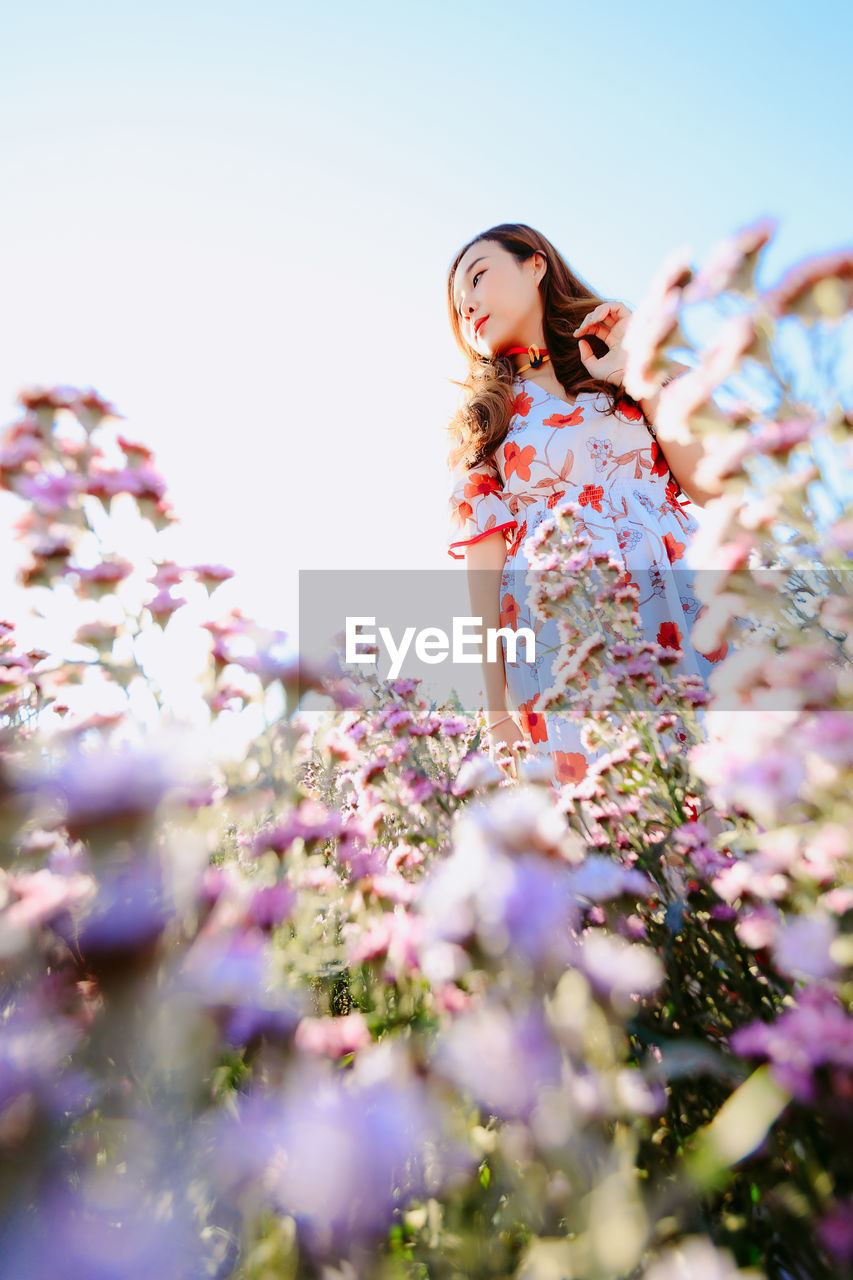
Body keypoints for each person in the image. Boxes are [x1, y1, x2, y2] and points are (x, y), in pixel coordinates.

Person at [444, 223, 727, 786]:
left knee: (729, 792)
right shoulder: (487, 420)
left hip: (682, 598)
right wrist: (495, 705)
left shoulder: (616, 367)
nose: (469, 304)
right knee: (627, 814)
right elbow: (484, 567)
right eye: (459, 305)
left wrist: (636, 369)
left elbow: (706, 486)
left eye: (478, 277)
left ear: (536, 264)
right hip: (566, 630)